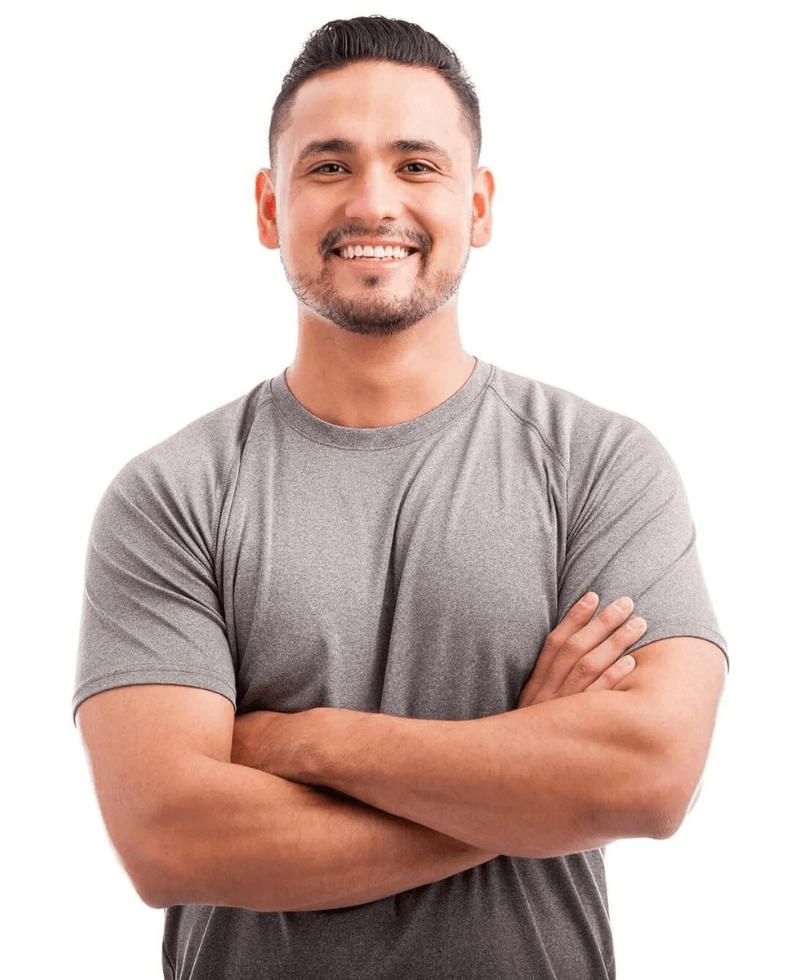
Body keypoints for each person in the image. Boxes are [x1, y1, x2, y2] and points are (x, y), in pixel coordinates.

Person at [73, 15, 728, 980]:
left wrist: (304, 743)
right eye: (329, 166)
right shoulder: (172, 497)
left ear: (481, 204)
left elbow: (650, 777)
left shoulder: (599, 466)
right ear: (268, 207)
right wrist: (527, 783)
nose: (374, 201)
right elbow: (171, 840)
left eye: (417, 164)